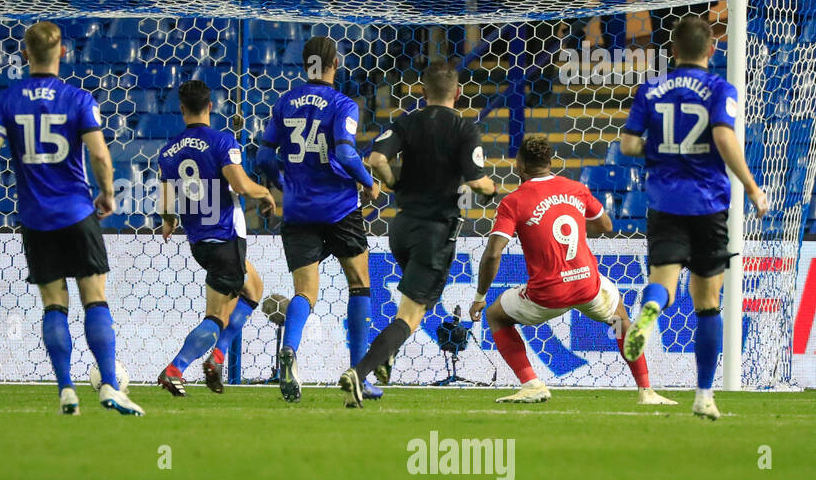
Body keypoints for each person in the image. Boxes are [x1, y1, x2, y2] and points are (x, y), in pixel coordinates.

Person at [0, 21, 144, 416]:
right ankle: (110, 385)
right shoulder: (79, 99)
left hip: (35, 218)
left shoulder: (6, 100)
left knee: (53, 305)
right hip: (78, 213)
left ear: (25, 54)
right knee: (94, 297)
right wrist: (108, 193)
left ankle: (66, 390)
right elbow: (99, 154)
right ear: (63, 52)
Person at [621, 16, 769, 420]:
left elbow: (629, 144)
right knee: (706, 305)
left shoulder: (649, 90)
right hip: (708, 204)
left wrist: (662, 149)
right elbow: (723, 137)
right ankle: (704, 395)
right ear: (711, 50)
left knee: (663, 285)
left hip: (664, 201)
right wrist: (754, 188)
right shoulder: (721, 88)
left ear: (672, 50)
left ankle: (649, 313)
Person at [470, 134, 679, 405]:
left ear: (519, 165)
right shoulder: (575, 188)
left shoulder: (513, 202)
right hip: (587, 286)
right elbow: (605, 225)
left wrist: (479, 296)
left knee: (496, 314)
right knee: (619, 320)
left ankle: (531, 383)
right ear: (550, 162)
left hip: (547, 295)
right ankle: (646, 390)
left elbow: (493, 253)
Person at [339, 63, 496, 407]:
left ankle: (387, 355)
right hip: (434, 232)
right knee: (409, 315)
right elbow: (476, 181)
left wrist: (393, 182)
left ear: (423, 93)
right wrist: (491, 190)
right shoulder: (464, 129)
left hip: (402, 228)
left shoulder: (407, 121)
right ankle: (360, 371)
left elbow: (377, 157)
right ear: (458, 93)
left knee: (422, 301)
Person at [256, 36, 381, 404]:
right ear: (335, 63)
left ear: (304, 64)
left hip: (297, 211)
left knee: (305, 292)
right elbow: (344, 151)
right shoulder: (343, 104)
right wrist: (367, 180)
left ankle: (290, 349)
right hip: (339, 208)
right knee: (358, 283)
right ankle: (359, 374)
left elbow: (263, 158)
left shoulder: (284, 103)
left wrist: (284, 183)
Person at [156, 81, 275, 396]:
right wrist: (266, 193)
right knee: (216, 317)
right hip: (226, 239)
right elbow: (241, 186)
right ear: (211, 106)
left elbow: (166, 205)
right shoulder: (223, 142)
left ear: (182, 109)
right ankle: (176, 368)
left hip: (199, 242)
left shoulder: (168, 152)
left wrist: (168, 223)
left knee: (254, 287)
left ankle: (218, 357)